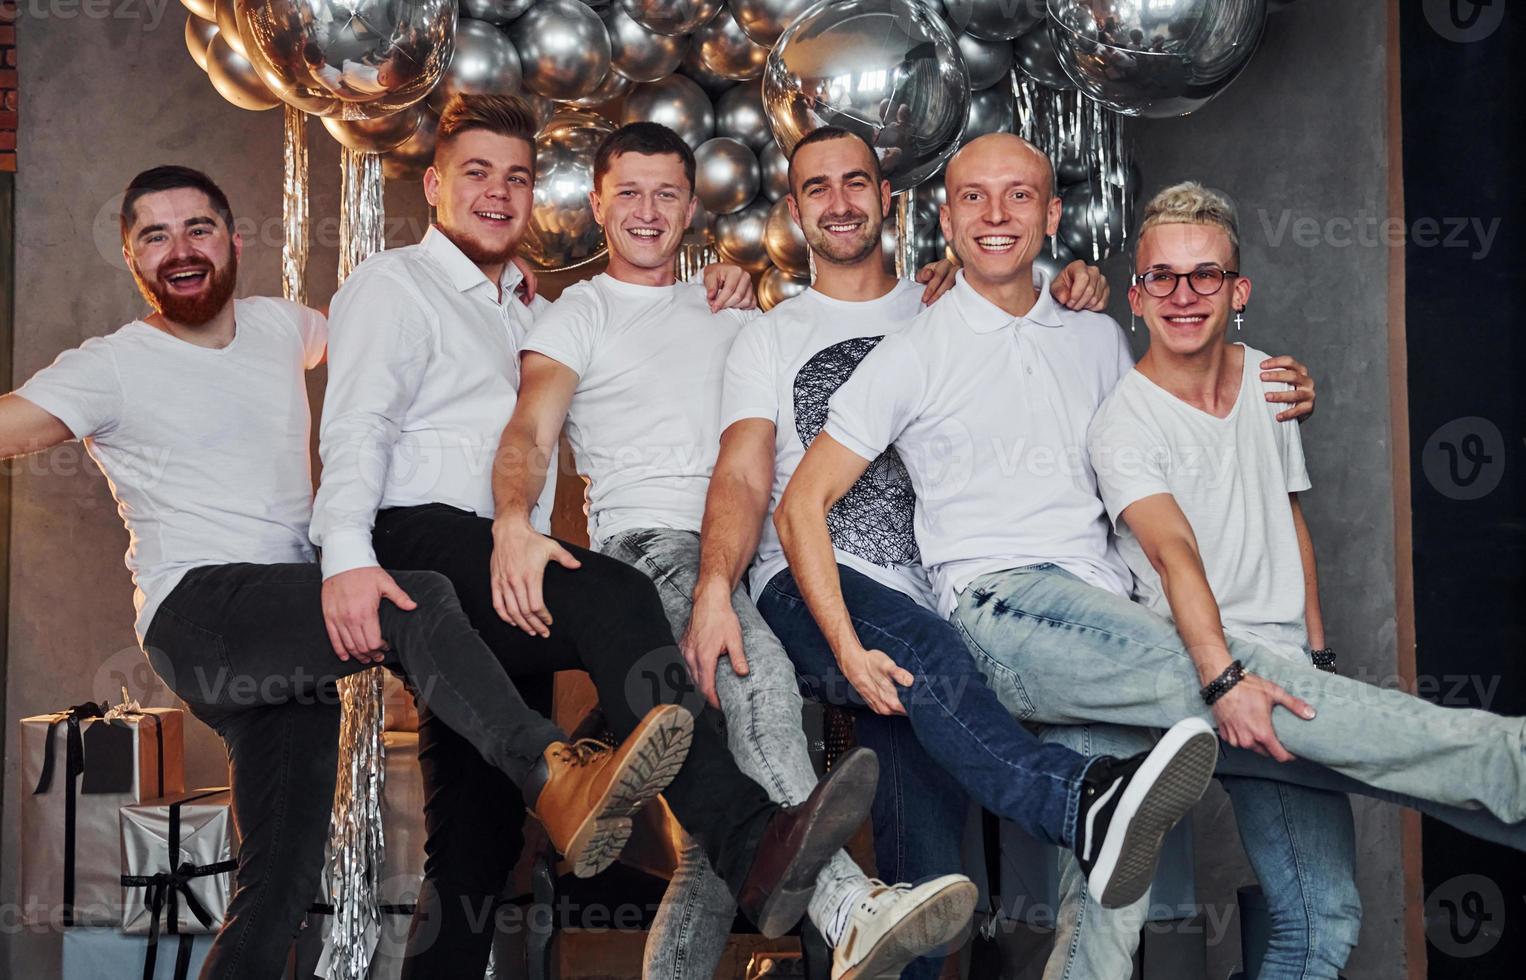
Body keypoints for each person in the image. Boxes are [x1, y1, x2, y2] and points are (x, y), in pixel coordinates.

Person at [781, 133, 1526, 927]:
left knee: (1112, 906)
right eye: (973, 196)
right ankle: (1504, 759)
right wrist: (848, 645)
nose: (995, 214)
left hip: (1113, 614)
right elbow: (800, 507)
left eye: (1019, 195)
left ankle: (1501, 802)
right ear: (944, 215)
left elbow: (1172, 405)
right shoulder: (911, 352)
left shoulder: (1097, 331)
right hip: (1007, 610)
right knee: (1238, 683)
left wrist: (1273, 379)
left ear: (1053, 214)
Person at [0, 165, 697, 980]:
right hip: (203, 614)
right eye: (155, 236)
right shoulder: (109, 365)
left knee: (276, 892)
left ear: (231, 241)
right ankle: (550, 772)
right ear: (130, 257)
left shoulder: (281, 327)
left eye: (198, 229)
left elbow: (392, 323)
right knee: (413, 594)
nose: (180, 249)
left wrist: (503, 290)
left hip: (288, 646)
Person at [311, 95, 876, 978]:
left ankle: (612, 781)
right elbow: (380, 428)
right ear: (433, 185)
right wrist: (347, 552)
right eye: (476, 173)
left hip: (512, 575)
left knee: (479, 842)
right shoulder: (400, 284)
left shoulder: (519, 301)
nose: (498, 193)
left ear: (690, 209)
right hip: (436, 543)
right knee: (630, 603)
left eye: (516, 177)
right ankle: (797, 873)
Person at [716, 127, 1248, 980]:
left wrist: (1084, 292)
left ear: (894, 203)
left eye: (858, 182)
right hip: (832, 595)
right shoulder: (768, 332)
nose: (842, 201)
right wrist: (720, 589)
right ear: (793, 209)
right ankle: (1082, 804)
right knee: (927, 663)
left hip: (933, 602)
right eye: (818, 188)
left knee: (925, 876)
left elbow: (1061, 350)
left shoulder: (941, 301)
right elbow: (757, 485)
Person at [493, 121, 982, 980]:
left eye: (667, 194)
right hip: (654, 550)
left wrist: (950, 280)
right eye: (630, 193)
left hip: (741, 556)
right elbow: (531, 430)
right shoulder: (577, 314)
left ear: (691, 206)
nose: (648, 211)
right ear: (598, 201)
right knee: (760, 680)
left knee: (718, 844)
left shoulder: (728, 303)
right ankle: (846, 904)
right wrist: (512, 521)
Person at [1058, 182, 1363, 979]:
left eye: (1205, 276)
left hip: (1285, 673)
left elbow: (1289, 521)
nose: (1183, 295)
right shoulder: (1121, 420)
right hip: (1185, 675)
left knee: (1322, 919)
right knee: (1130, 930)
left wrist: (1319, 660)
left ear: (1238, 290)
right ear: (1136, 294)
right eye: (1162, 276)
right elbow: (1172, 554)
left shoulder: (1270, 382)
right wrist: (1224, 676)